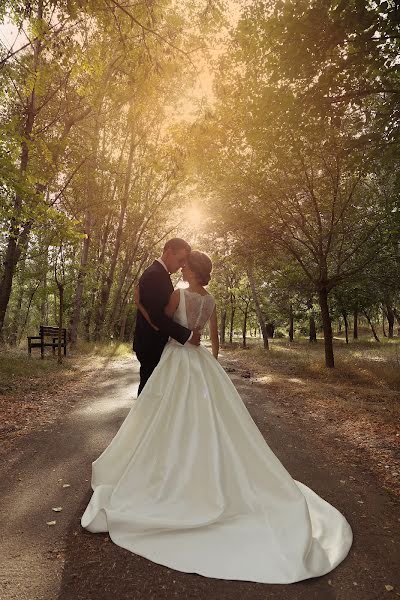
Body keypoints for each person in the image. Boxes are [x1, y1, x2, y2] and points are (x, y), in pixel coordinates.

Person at [81, 250, 352, 584]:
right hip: (200, 363)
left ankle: (166, 464)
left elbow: (160, 324)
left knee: (163, 413)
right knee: (206, 419)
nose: (182, 267)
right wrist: (212, 363)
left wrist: (139, 304)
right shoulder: (210, 302)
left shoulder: (178, 293)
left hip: (175, 360)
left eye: (186, 264)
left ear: (192, 271)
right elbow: (214, 341)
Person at [133, 238, 201, 395]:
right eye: (181, 259)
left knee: (154, 392)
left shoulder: (160, 273)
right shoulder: (155, 275)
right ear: (169, 252)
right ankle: (143, 419)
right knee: (149, 393)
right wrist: (188, 335)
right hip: (151, 345)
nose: (183, 265)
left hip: (154, 343)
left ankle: (147, 418)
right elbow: (157, 318)